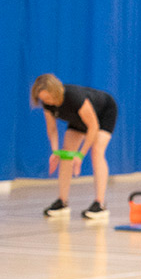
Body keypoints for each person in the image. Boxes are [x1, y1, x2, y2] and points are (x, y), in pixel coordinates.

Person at [30, 74, 117, 219]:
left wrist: (80, 155)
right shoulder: (47, 104)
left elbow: (93, 126)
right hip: (78, 119)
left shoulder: (73, 97)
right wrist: (55, 151)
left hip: (103, 114)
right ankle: (62, 202)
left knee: (96, 152)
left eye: (49, 98)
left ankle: (100, 204)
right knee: (65, 154)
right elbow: (51, 129)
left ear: (55, 92)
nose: (47, 102)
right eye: (44, 100)